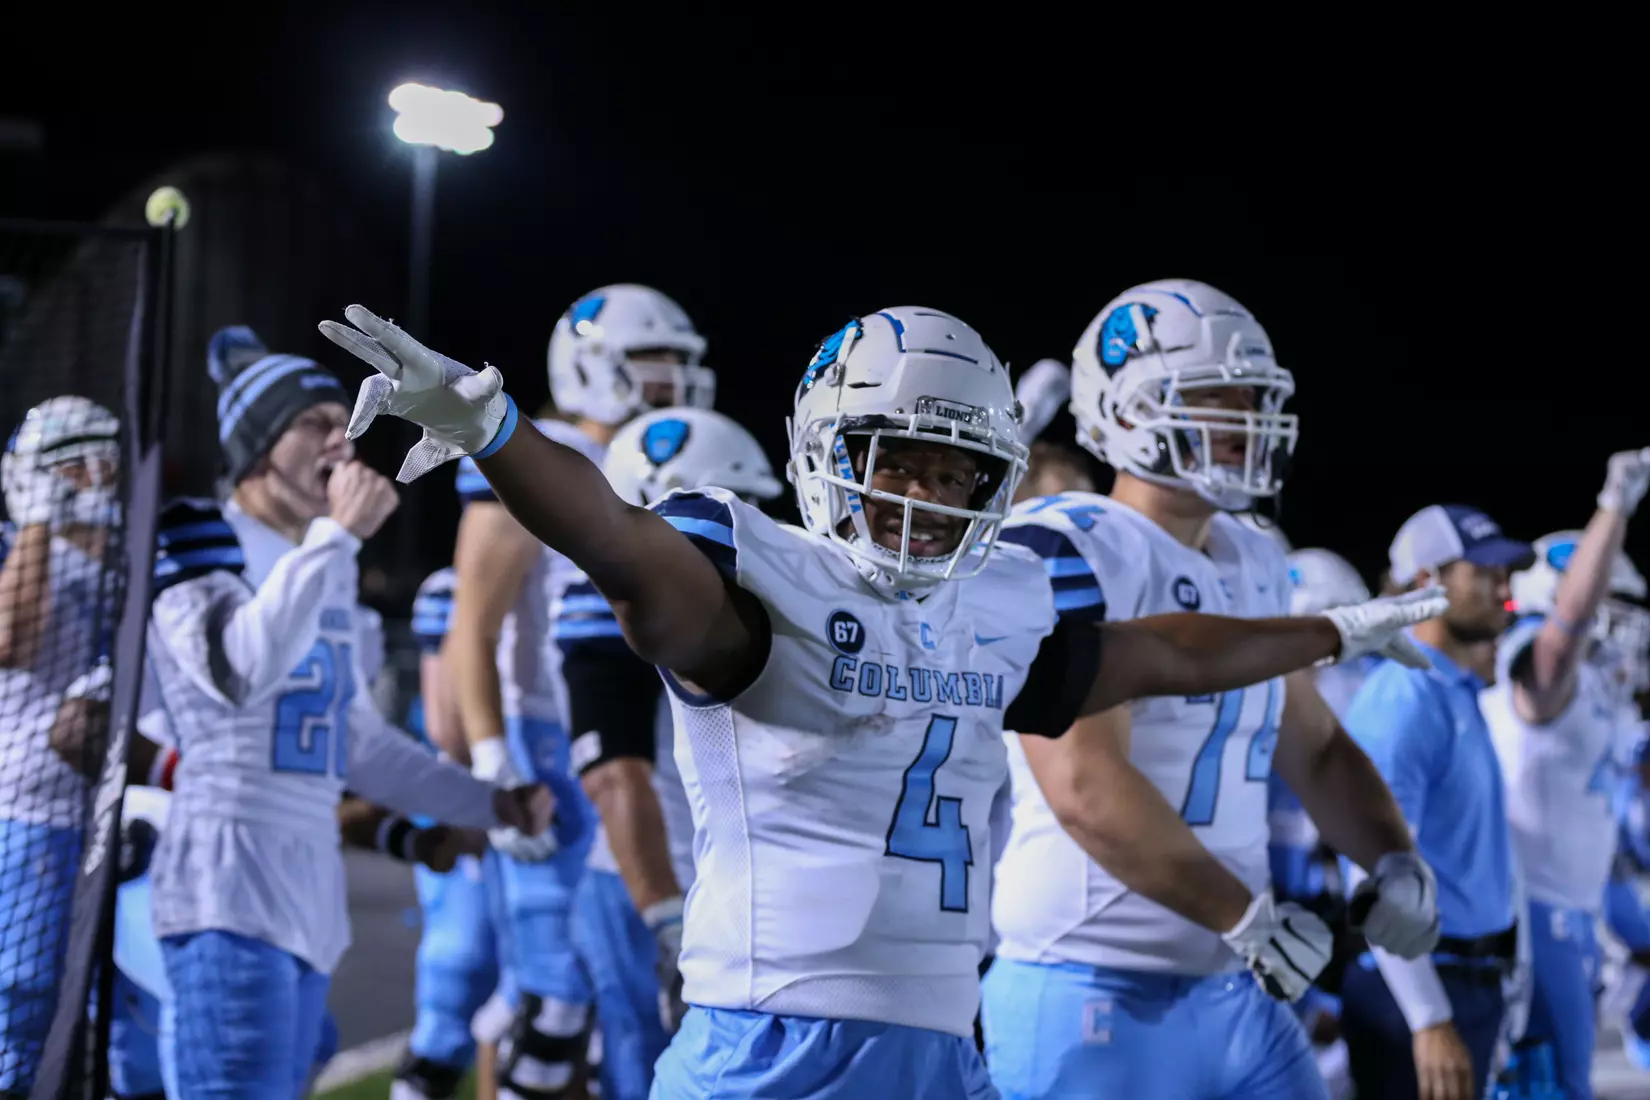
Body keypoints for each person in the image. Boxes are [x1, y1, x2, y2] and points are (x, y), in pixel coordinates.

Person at [321, 300, 1445, 1100]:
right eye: (895, 458)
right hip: (767, 1044)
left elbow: (1164, 656)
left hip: (942, 1046)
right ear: (827, 449)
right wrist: (497, 433)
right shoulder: (767, 574)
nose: (925, 494)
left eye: (956, 471)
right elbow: (615, 539)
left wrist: (1330, 630)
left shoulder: (999, 601)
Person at [983, 280, 1438, 1100]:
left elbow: (1314, 744)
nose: (1244, 419)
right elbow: (1084, 781)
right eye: (1214, 397)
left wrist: (1392, 856)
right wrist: (1242, 915)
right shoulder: (1069, 543)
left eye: (1251, 397)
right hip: (1090, 983)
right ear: (1125, 410)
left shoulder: (1254, 554)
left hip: (1237, 983)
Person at [144, 326, 552, 1100]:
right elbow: (237, 673)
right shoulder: (206, 535)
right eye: (314, 423)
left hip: (308, 896)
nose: (342, 439)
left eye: (343, 421)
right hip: (224, 885)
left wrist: (485, 802)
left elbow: (356, 743)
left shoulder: (324, 562)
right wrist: (334, 538)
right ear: (258, 446)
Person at [446, 284, 713, 1100]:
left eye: (677, 362)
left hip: (628, 738)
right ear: (591, 365)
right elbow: (473, 627)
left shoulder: (653, 456)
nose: (670, 379)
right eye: (651, 360)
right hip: (547, 742)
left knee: (607, 999)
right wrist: (493, 761)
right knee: (552, 1004)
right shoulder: (549, 450)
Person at [559, 406, 783, 1100]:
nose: (748, 526)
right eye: (727, 507)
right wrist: (665, 919)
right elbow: (616, 776)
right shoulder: (618, 604)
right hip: (654, 887)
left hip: (732, 887)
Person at [1338, 503, 1536, 1100]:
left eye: (1506, 574)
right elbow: (1370, 868)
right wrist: (1428, 1017)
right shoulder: (1404, 699)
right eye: (1485, 573)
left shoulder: (1453, 691)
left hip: (1467, 978)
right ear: (1427, 580)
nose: (1505, 589)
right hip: (1420, 987)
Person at [1480, 448, 1650, 1100]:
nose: (1625, 629)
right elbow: (1563, 637)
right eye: (1612, 606)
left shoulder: (1599, 703)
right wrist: (1613, 508)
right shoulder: (1539, 684)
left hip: (1574, 918)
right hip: (1532, 921)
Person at [0, 395, 120, 1098]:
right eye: (73, 464)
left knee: (112, 1025)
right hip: (30, 818)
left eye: (103, 460)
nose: (95, 476)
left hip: (117, 814)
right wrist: (39, 520)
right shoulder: (17, 549)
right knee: (21, 1013)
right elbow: (11, 641)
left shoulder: (132, 556)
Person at [394, 566, 510, 1100]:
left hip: (531, 800)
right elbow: (448, 729)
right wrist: (479, 793)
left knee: (536, 1001)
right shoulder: (452, 587)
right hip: (482, 796)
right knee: (459, 984)